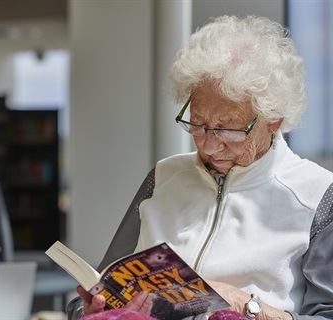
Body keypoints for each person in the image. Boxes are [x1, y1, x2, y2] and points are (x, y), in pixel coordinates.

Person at [67, 15, 333, 320]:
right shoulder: (163, 177)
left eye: (228, 130)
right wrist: (93, 310)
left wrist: (248, 306)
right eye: (198, 124)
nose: (207, 146)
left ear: (274, 120)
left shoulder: (317, 195)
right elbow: (105, 283)